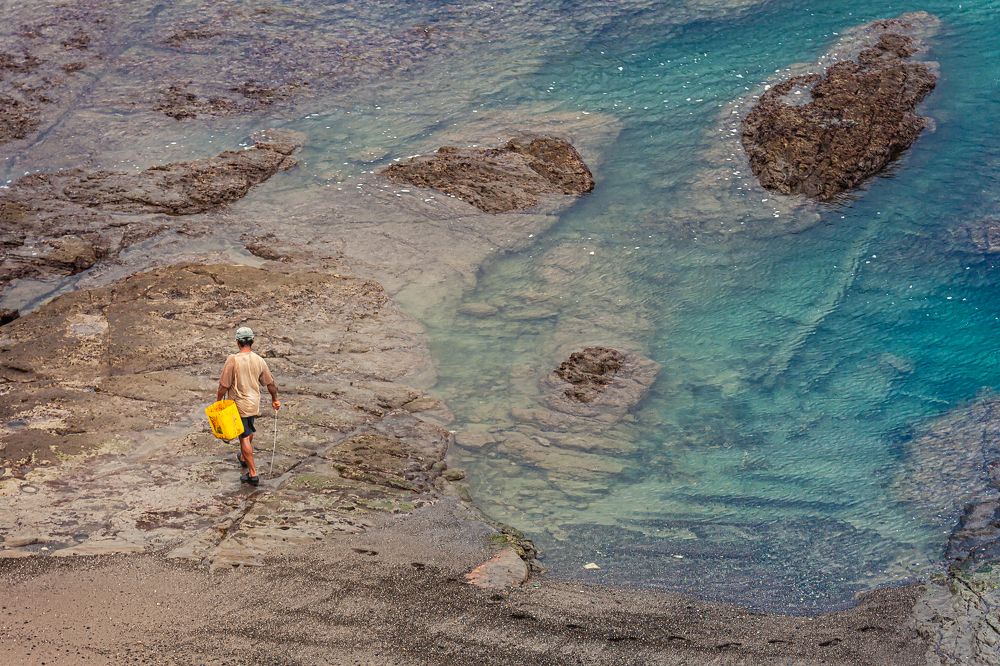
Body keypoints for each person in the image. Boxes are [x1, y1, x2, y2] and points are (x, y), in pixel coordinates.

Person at [216, 326, 280, 486]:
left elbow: (224, 385)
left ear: (237, 342)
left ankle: (253, 474)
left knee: (243, 437)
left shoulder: (233, 360)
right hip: (253, 403)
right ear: (252, 341)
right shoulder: (259, 360)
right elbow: (270, 383)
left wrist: (218, 402)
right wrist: (275, 399)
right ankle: (244, 457)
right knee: (249, 430)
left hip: (239, 404)